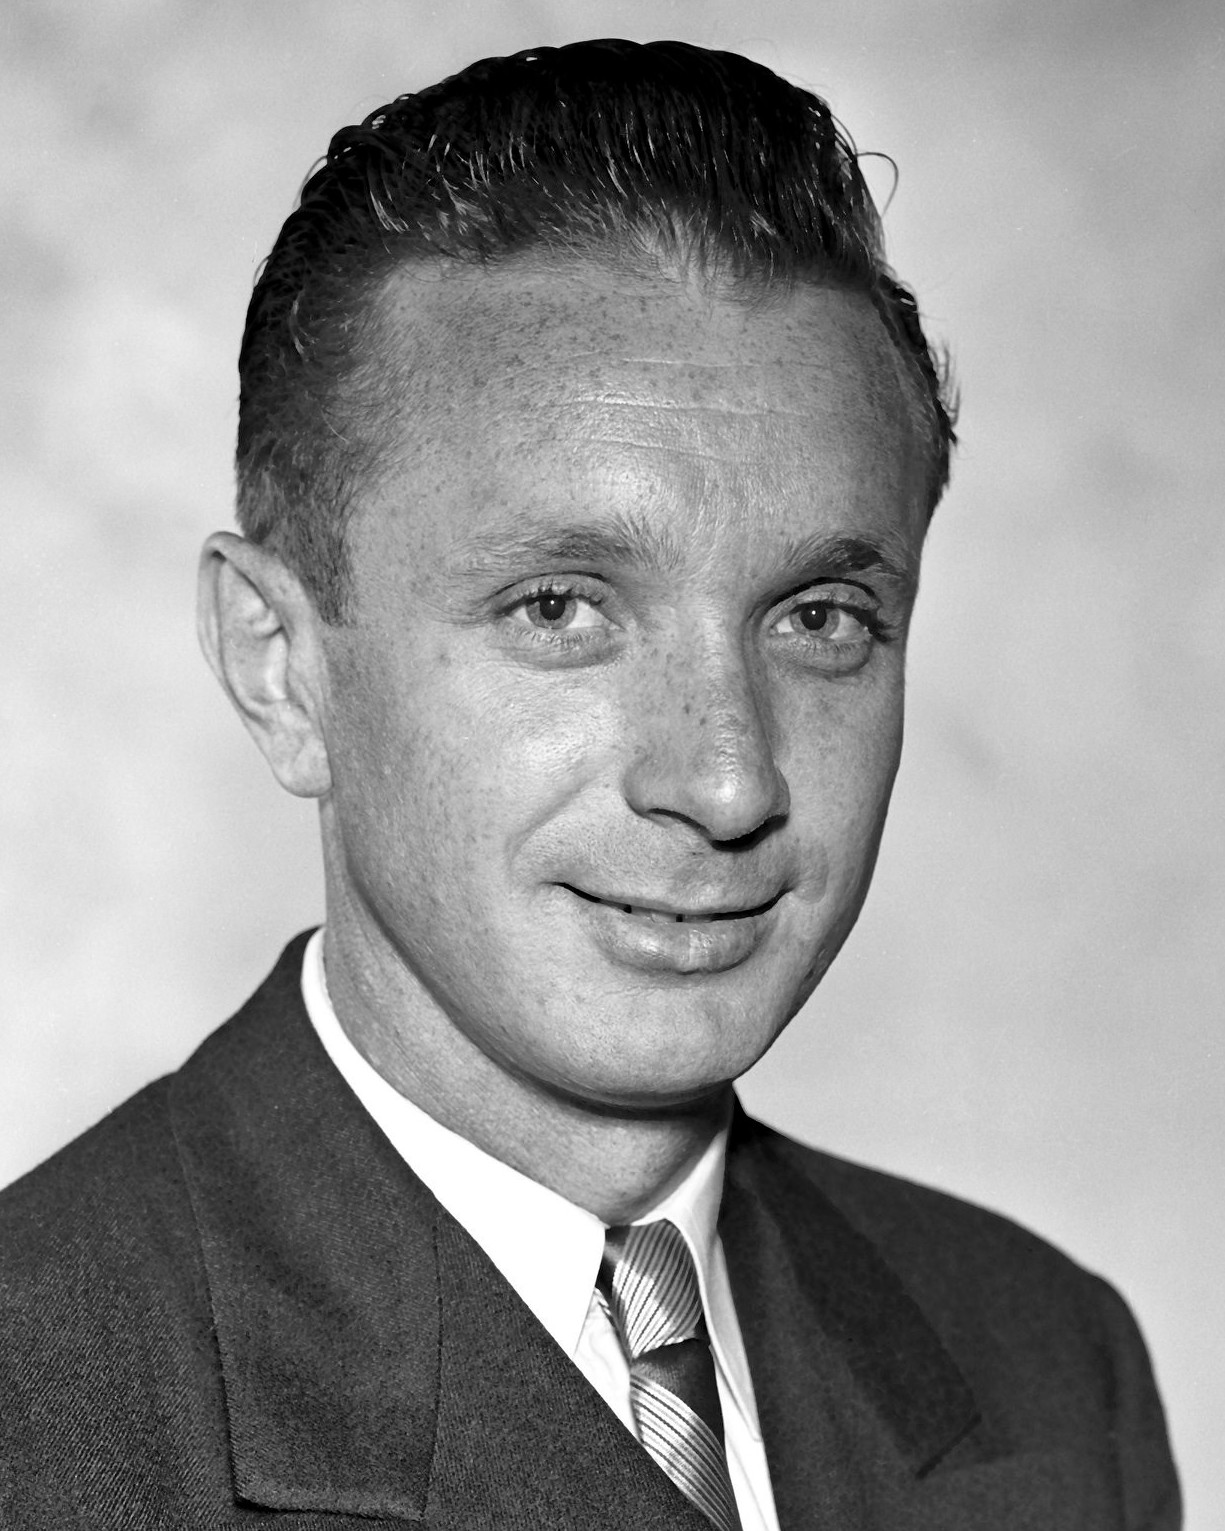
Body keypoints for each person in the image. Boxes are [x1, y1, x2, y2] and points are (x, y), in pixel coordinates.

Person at [0, 38, 1179, 1530]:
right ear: (280, 666)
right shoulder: (36, 1417)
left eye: (820, 619)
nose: (729, 780)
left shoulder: (1046, 1363)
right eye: (560, 608)